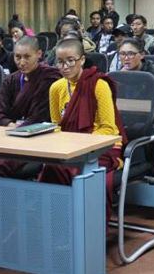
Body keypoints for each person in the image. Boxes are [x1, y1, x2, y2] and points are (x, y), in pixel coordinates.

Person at [39, 38, 126, 218]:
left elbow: (109, 129)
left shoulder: (98, 85)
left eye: (71, 60)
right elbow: (57, 125)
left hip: (101, 147)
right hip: (69, 148)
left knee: (80, 173)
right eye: (60, 62)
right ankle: (57, 221)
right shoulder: (56, 88)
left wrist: (78, 142)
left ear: (82, 60)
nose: (65, 66)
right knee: (50, 170)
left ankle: (88, 228)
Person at [0, 36, 60, 176]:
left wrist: (18, 129)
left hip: (33, 139)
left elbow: (39, 118)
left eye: (27, 57)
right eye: (18, 57)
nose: (22, 62)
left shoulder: (49, 79)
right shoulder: (11, 80)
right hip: (6, 134)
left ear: (39, 54)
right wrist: (11, 125)